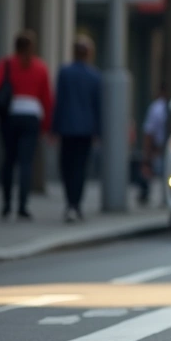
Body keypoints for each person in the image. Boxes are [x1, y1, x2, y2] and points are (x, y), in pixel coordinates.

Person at [0, 31, 54, 221]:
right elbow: (47, 99)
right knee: (26, 163)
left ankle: (7, 203)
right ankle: (23, 206)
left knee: (9, 160)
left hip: (11, 116)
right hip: (31, 116)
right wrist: (46, 126)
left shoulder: (7, 63)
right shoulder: (40, 67)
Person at [52, 35, 103, 222]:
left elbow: (59, 102)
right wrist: (99, 131)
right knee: (81, 167)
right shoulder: (95, 76)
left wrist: (54, 128)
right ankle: (76, 204)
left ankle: (70, 202)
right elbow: (98, 106)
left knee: (66, 166)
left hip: (67, 128)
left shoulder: (64, 73)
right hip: (86, 130)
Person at [141, 83, 168, 206]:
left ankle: (150, 195)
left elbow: (149, 131)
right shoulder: (159, 108)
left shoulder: (156, 108)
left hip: (160, 146)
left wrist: (147, 151)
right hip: (161, 147)